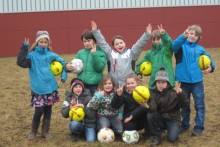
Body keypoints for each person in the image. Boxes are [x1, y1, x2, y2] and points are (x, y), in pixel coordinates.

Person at [16, 30, 68, 140]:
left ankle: (45, 131)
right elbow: (20, 62)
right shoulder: (31, 56)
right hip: (38, 88)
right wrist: (24, 47)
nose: (43, 44)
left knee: (48, 109)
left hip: (50, 88)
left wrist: (64, 76)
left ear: (48, 43)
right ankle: (33, 131)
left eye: (45, 42)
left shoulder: (52, 55)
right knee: (39, 110)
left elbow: (64, 64)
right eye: (41, 41)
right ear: (37, 42)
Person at [172, 25, 215, 136]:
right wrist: (183, 35)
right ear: (187, 34)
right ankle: (185, 125)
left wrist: (210, 68)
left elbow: (210, 61)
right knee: (184, 105)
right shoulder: (180, 47)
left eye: (196, 35)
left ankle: (199, 127)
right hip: (183, 82)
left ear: (199, 37)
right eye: (191, 34)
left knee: (199, 105)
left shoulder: (200, 49)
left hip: (197, 82)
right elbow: (173, 46)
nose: (192, 36)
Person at [91, 21, 152, 85]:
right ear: (114, 46)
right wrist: (96, 31)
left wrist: (147, 34)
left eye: (121, 43)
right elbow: (102, 43)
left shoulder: (131, 53)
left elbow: (140, 44)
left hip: (129, 85)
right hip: (115, 85)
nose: (119, 45)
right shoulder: (110, 53)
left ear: (125, 44)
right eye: (116, 44)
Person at [140, 67, 189, 146]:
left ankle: (173, 130)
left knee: (172, 139)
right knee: (150, 114)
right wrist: (147, 106)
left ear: (167, 83)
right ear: (155, 83)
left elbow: (185, 105)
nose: (161, 84)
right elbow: (153, 108)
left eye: (163, 82)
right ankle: (156, 136)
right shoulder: (153, 94)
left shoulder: (174, 92)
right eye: (158, 82)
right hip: (161, 118)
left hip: (173, 119)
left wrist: (180, 94)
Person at [66, 30, 107, 96]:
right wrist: (68, 66)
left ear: (94, 40)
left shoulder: (101, 53)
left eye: (88, 41)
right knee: (83, 103)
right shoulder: (80, 53)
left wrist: (94, 54)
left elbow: (99, 68)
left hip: (95, 85)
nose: (86, 43)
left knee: (94, 103)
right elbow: (74, 65)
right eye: (84, 41)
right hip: (82, 84)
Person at [135, 24, 175, 91]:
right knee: (153, 100)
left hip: (167, 82)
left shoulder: (166, 51)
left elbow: (169, 43)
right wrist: (139, 72)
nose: (156, 41)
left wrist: (164, 35)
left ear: (162, 39)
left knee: (168, 100)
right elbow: (141, 63)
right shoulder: (149, 53)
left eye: (158, 39)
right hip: (154, 82)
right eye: (154, 39)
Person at [61, 78, 97, 142]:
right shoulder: (68, 98)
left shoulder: (89, 98)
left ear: (82, 88)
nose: (78, 88)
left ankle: (86, 133)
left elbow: (92, 115)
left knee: (91, 141)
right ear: (72, 89)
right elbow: (64, 114)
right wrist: (70, 107)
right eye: (76, 87)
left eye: (80, 86)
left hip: (89, 125)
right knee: (74, 124)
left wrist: (84, 107)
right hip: (77, 123)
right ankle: (75, 133)